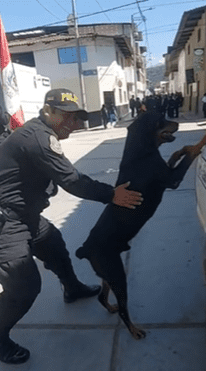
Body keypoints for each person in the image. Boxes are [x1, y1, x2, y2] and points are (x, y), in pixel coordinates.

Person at [0, 88, 143, 364]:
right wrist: (112, 194)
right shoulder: (39, 140)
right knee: (24, 286)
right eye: (65, 116)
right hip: (6, 222)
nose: (72, 123)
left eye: (75, 117)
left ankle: (72, 288)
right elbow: (73, 181)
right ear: (47, 112)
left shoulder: (43, 133)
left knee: (53, 243)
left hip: (26, 216)